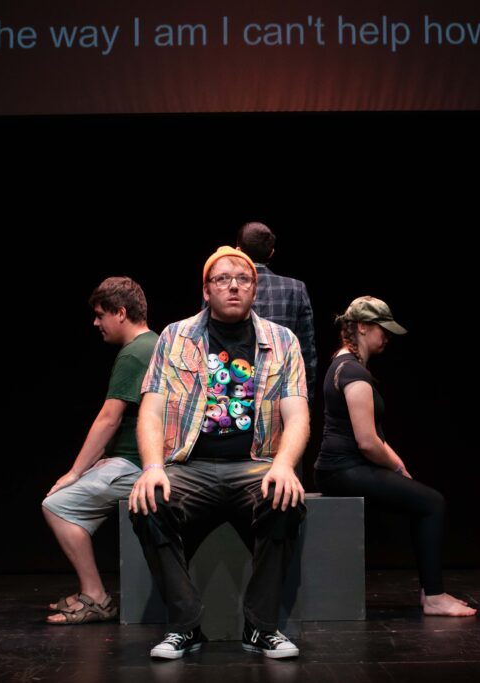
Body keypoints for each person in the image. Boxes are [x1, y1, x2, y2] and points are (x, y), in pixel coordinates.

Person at [129, 246, 309, 659]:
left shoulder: (283, 341)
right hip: (190, 465)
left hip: (254, 465)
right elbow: (152, 410)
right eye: (222, 279)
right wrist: (152, 466)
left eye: (242, 279)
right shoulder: (175, 337)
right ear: (206, 290)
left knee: (285, 500)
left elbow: (297, 414)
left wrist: (284, 465)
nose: (233, 285)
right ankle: (186, 626)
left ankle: (261, 628)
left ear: (255, 289)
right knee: (147, 502)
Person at [314, 296, 477, 617]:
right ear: (362, 327)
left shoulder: (343, 363)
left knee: (424, 502)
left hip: (339, 468)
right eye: (381, 329)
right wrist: (397, 466)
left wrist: (396, 467)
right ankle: (433, 596)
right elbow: (367, 442)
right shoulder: (354, 375)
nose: (386, 336)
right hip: (344, 469)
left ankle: (432, 592)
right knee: (433, 503)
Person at [41, 276, 159, 624]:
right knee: (72, 500)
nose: (96, 323)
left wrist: (75, 472)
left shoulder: (134, 353)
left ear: (120, 313)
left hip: (138, 465)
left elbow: (109, 418)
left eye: (100, 315)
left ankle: (96, 597)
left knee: (57, 505)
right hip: (133, 459)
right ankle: (92, 593)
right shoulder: (154, 344)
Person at [236, 222, 318, 401]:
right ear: (271, 252)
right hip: (283, 395)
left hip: (233, 393)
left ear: (238, 251)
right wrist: (306, 404)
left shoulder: (221, 288)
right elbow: (307, 356)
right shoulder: (295, 290)